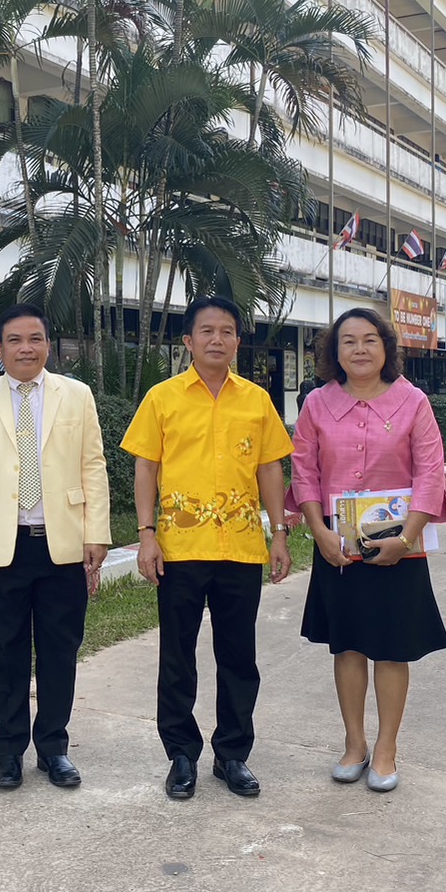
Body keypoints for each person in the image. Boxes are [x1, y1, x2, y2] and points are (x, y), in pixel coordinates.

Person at [122, 295, 294, 801]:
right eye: (207, 331)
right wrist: (146, 534)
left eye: (227, 332)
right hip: (180, 547)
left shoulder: (256, 400)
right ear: (188, 341)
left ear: (238, 342)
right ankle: (181, 754)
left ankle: (232, 754)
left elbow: (269, 467)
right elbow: (146, 467)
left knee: (238, 656)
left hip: (240, 547)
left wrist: (279, 532)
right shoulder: (162, 398)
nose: (217, 340)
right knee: (177, 656)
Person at [0, 304, 111, 790]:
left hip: (62, 544)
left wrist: (96, 533)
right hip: (3, 546)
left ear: (48, 345)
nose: (26, 348)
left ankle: (53, 748)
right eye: (15, 340)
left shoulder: (76, 395)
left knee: (61, 650)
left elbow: (93, 464)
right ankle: (8, 751)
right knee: (7, 651)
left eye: (35, 339)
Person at [290, 307, 446, 794]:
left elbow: (430, 472)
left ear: (386, 347)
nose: (359, 349)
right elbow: (304, 471)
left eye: (369, 340)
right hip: (337, 547)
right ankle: (354, 743)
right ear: (334, 352)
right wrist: (318, 532)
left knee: (392, 648)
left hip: (400, 546)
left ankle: (386, 749)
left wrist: (406, 539)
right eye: (349, 341)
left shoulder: (413, 402)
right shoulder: (317, 404)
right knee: (349, 645)